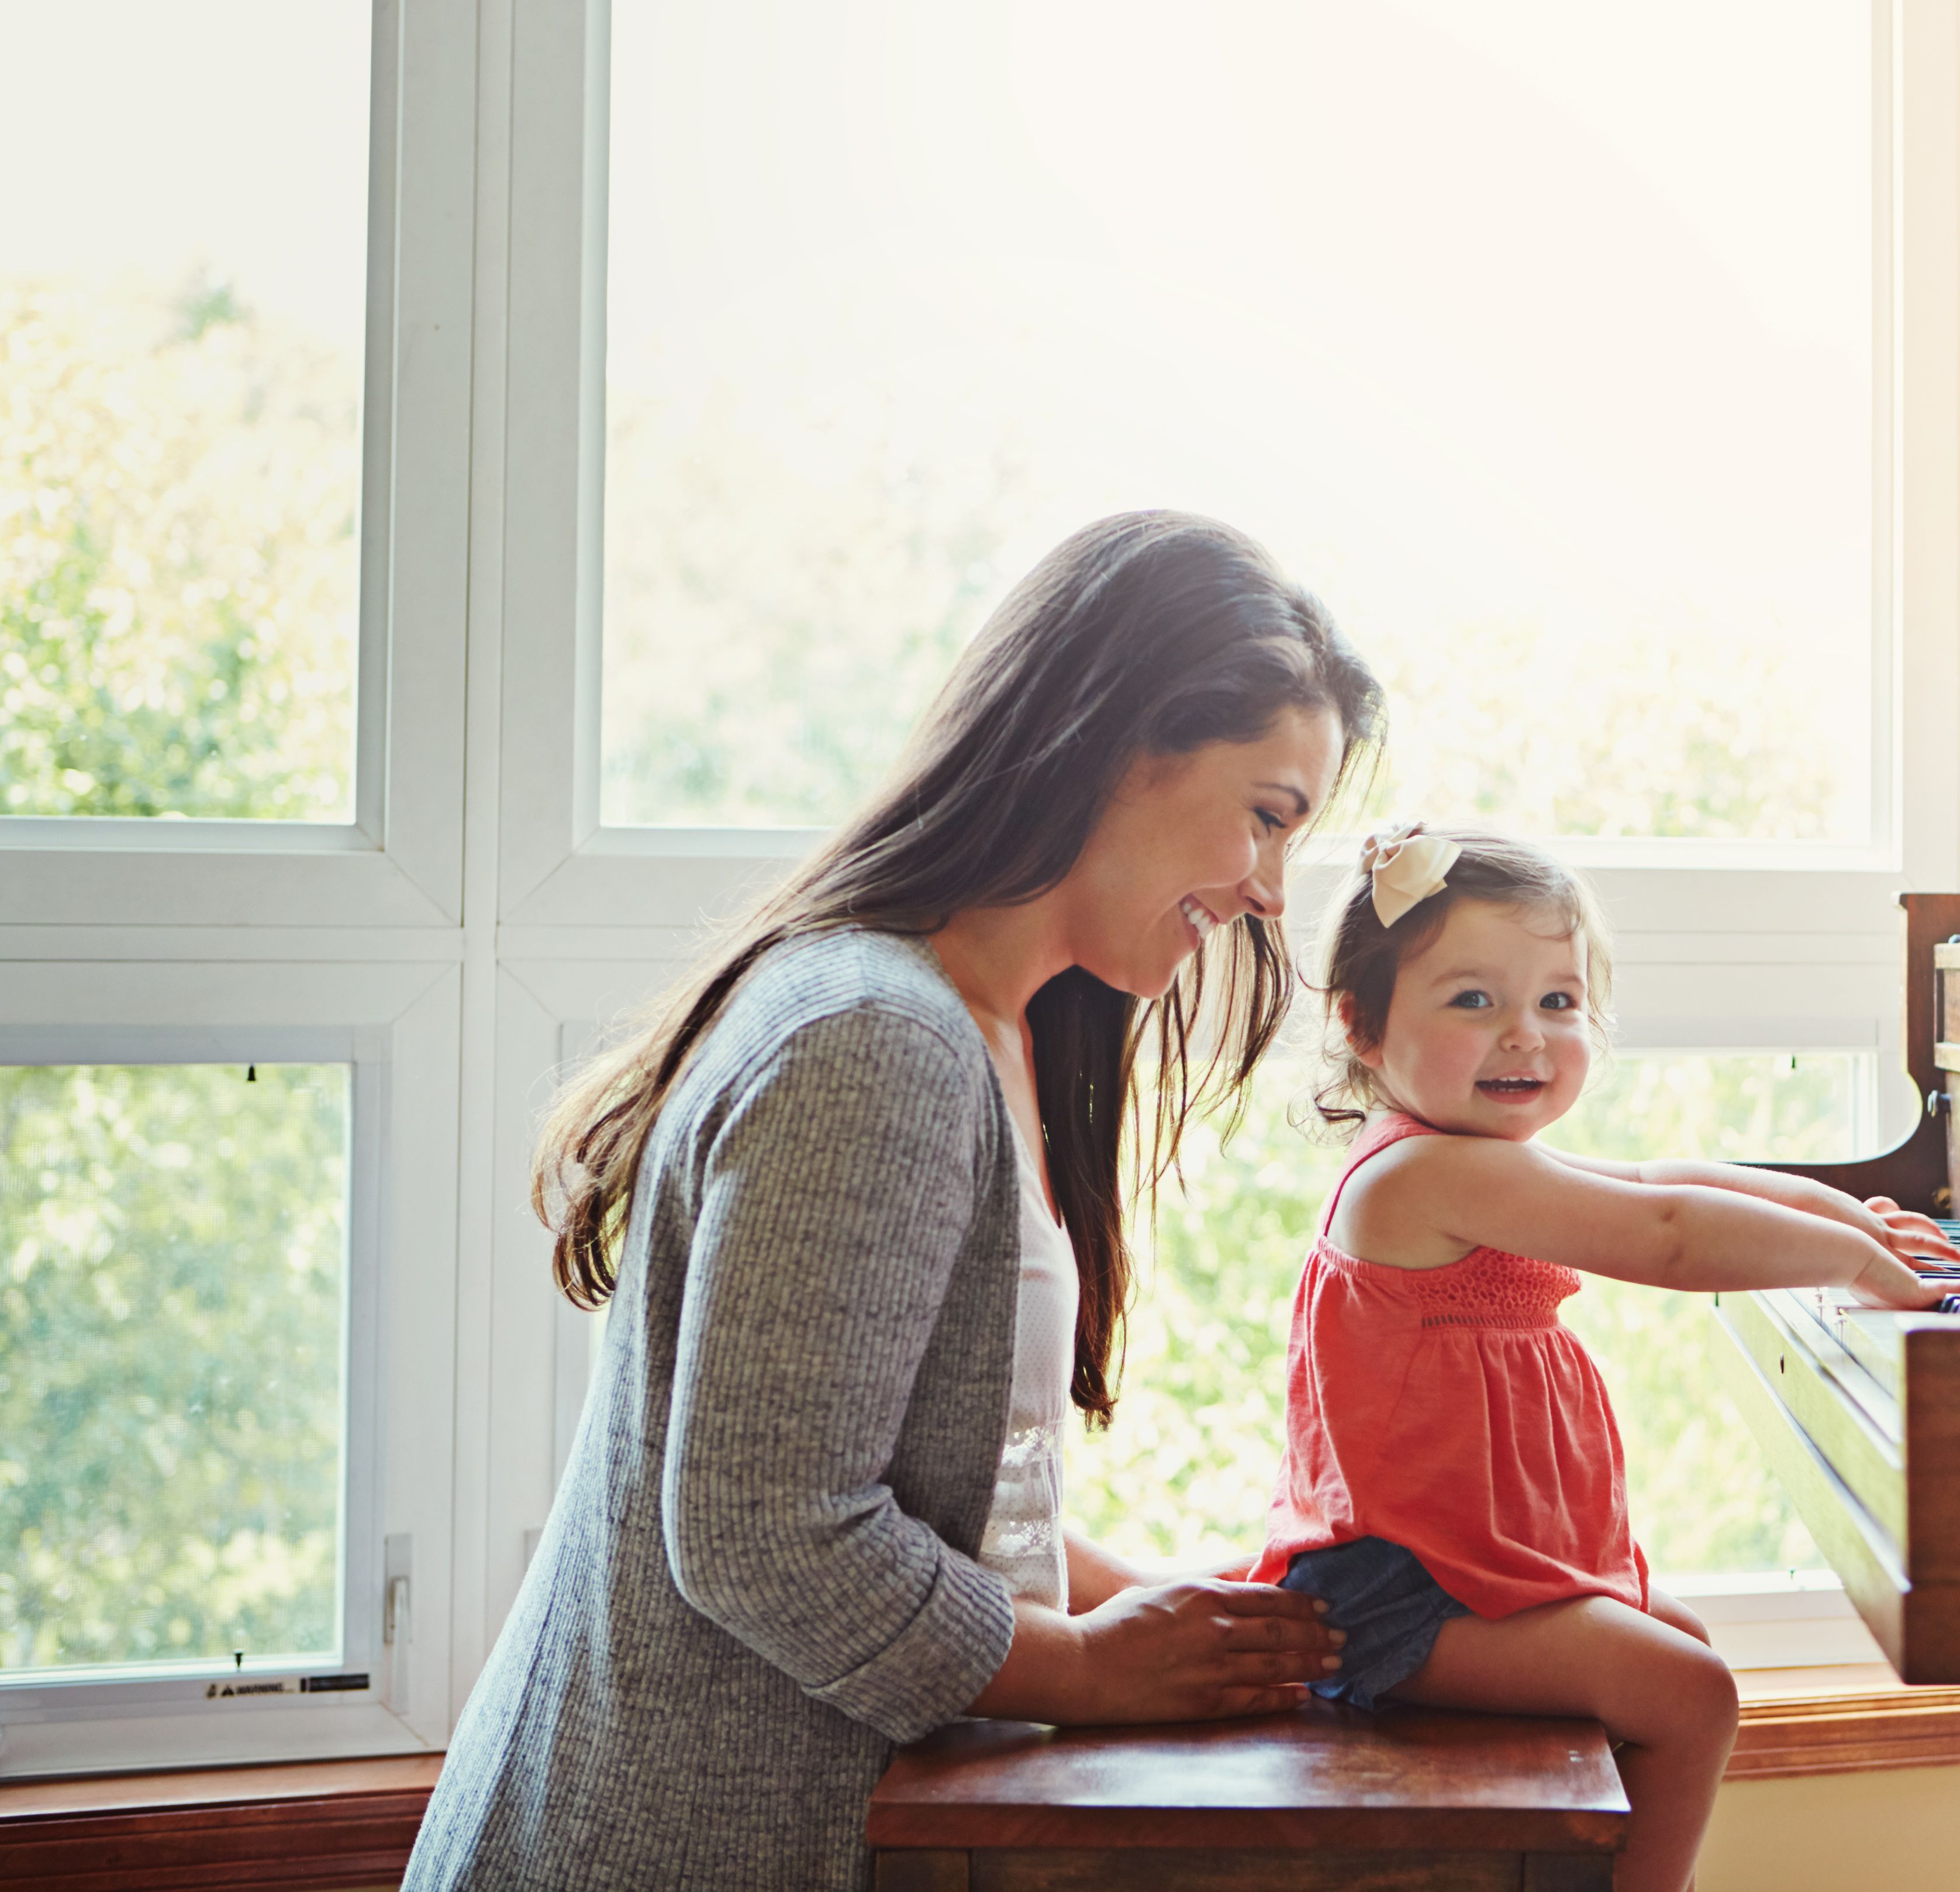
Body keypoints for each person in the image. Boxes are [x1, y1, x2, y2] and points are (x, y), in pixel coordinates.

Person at [406, 513, 1382, 1891]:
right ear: (1121, 740)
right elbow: (768, 1531)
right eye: (1267, 815)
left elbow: (947, 1495)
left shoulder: (988, 1034)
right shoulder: (874, 1040)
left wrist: (1163, 1613)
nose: (1272, 891)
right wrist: (1095, 1669)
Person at [1246, 825, 1956, 1892]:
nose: (1524, 1037)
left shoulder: (1481, 1158)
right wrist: (1854, 1257)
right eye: (1472, 1000)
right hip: (1398, 1592)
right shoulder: (1422, 1175)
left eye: (1559, 1002)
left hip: (1473, 1568)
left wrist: (1841, 1209)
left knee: (1679, 1636)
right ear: (1361, 1022)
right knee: (1690, 1693)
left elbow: (1664, 1175)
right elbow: (1666, 1230)